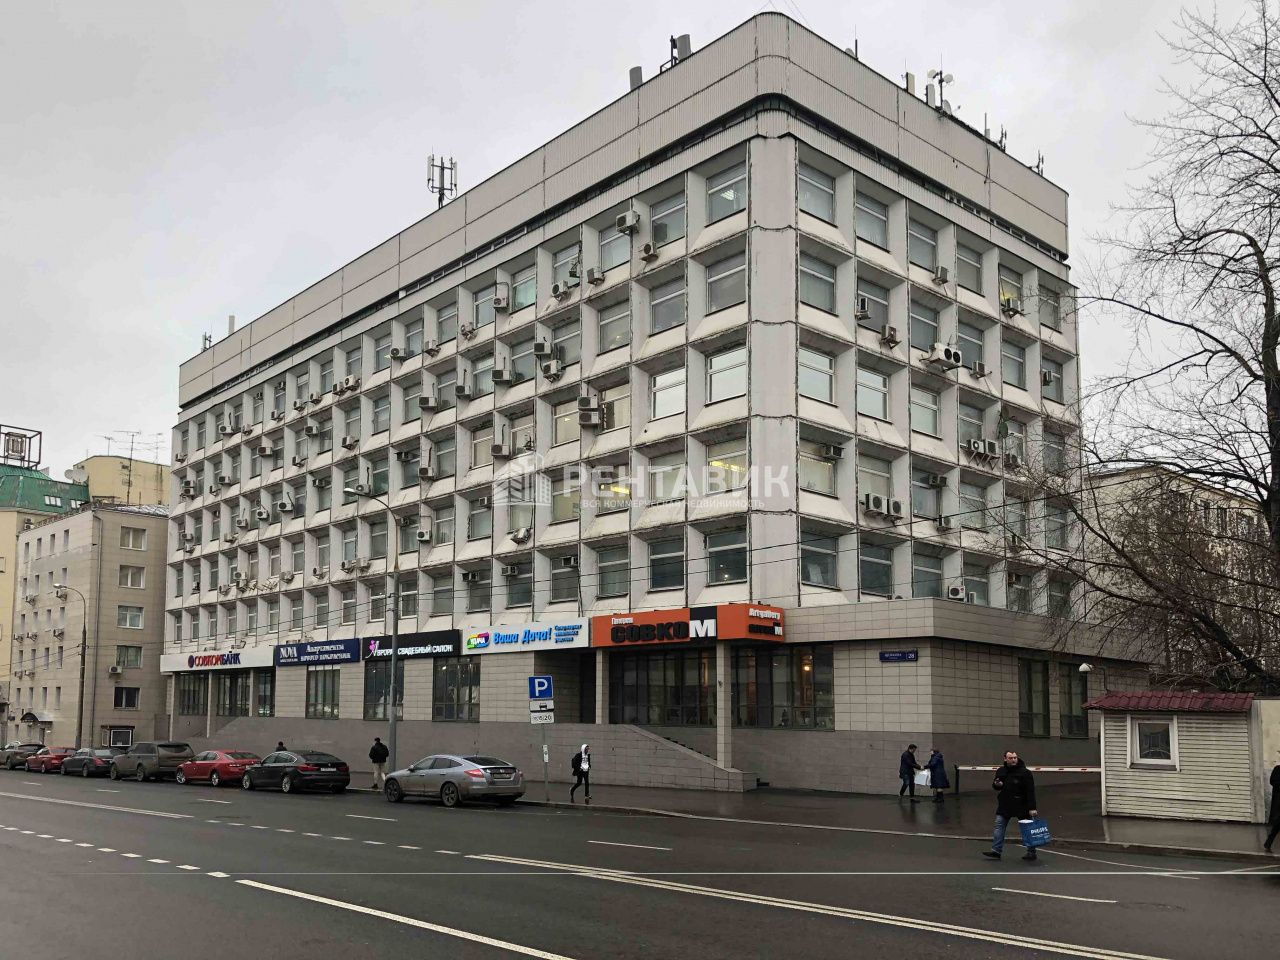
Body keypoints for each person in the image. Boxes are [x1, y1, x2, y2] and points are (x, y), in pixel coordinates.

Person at [982, 750, 1039, 861]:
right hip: (1005, 804)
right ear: (1005, 759)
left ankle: (1031, 852)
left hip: (1022, 804)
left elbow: (1030, 791)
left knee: (1027, 828)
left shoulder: (1025, 772)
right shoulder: (1001, 771)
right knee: (999, 826)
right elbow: (996, 786)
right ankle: (996, 851)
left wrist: (1032, 808)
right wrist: (997, 784)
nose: (1013, 760)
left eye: (1015, 758)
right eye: (1011, 758)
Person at [1264, 761, 1280, 853]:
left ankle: (1268, 843)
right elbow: (1273, 782)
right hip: (1279, 803)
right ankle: (1268, 843)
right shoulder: (1277, 769)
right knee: (1277, 825)